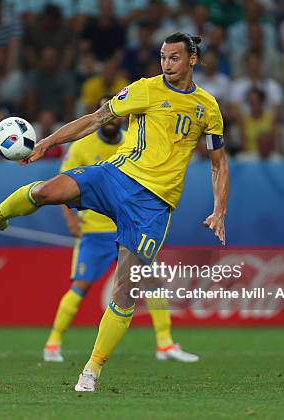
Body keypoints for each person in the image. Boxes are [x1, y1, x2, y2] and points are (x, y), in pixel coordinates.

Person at [0, 32, 229, 392]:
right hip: (117, 177)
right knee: (48, 189)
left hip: (153, 206)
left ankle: (91, 370)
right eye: (162, 57)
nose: (166, 65)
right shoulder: (145, 89)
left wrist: (219, 209)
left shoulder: (208, 107)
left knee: (126, 291)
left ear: (192, 59)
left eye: (174, 58)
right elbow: (96, 119)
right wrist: (47, 142)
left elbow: (219, 164)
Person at [43, 97, 199, 364]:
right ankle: (53, 343)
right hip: (95, 230)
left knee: (152, 283)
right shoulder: (81, 144)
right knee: (81, 285)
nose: (112, 118)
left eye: (117, 114)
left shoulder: (134, 140)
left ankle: (165, 345)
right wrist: (70, 219)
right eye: (107, 113)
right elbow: (62, 184)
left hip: (130, 225)